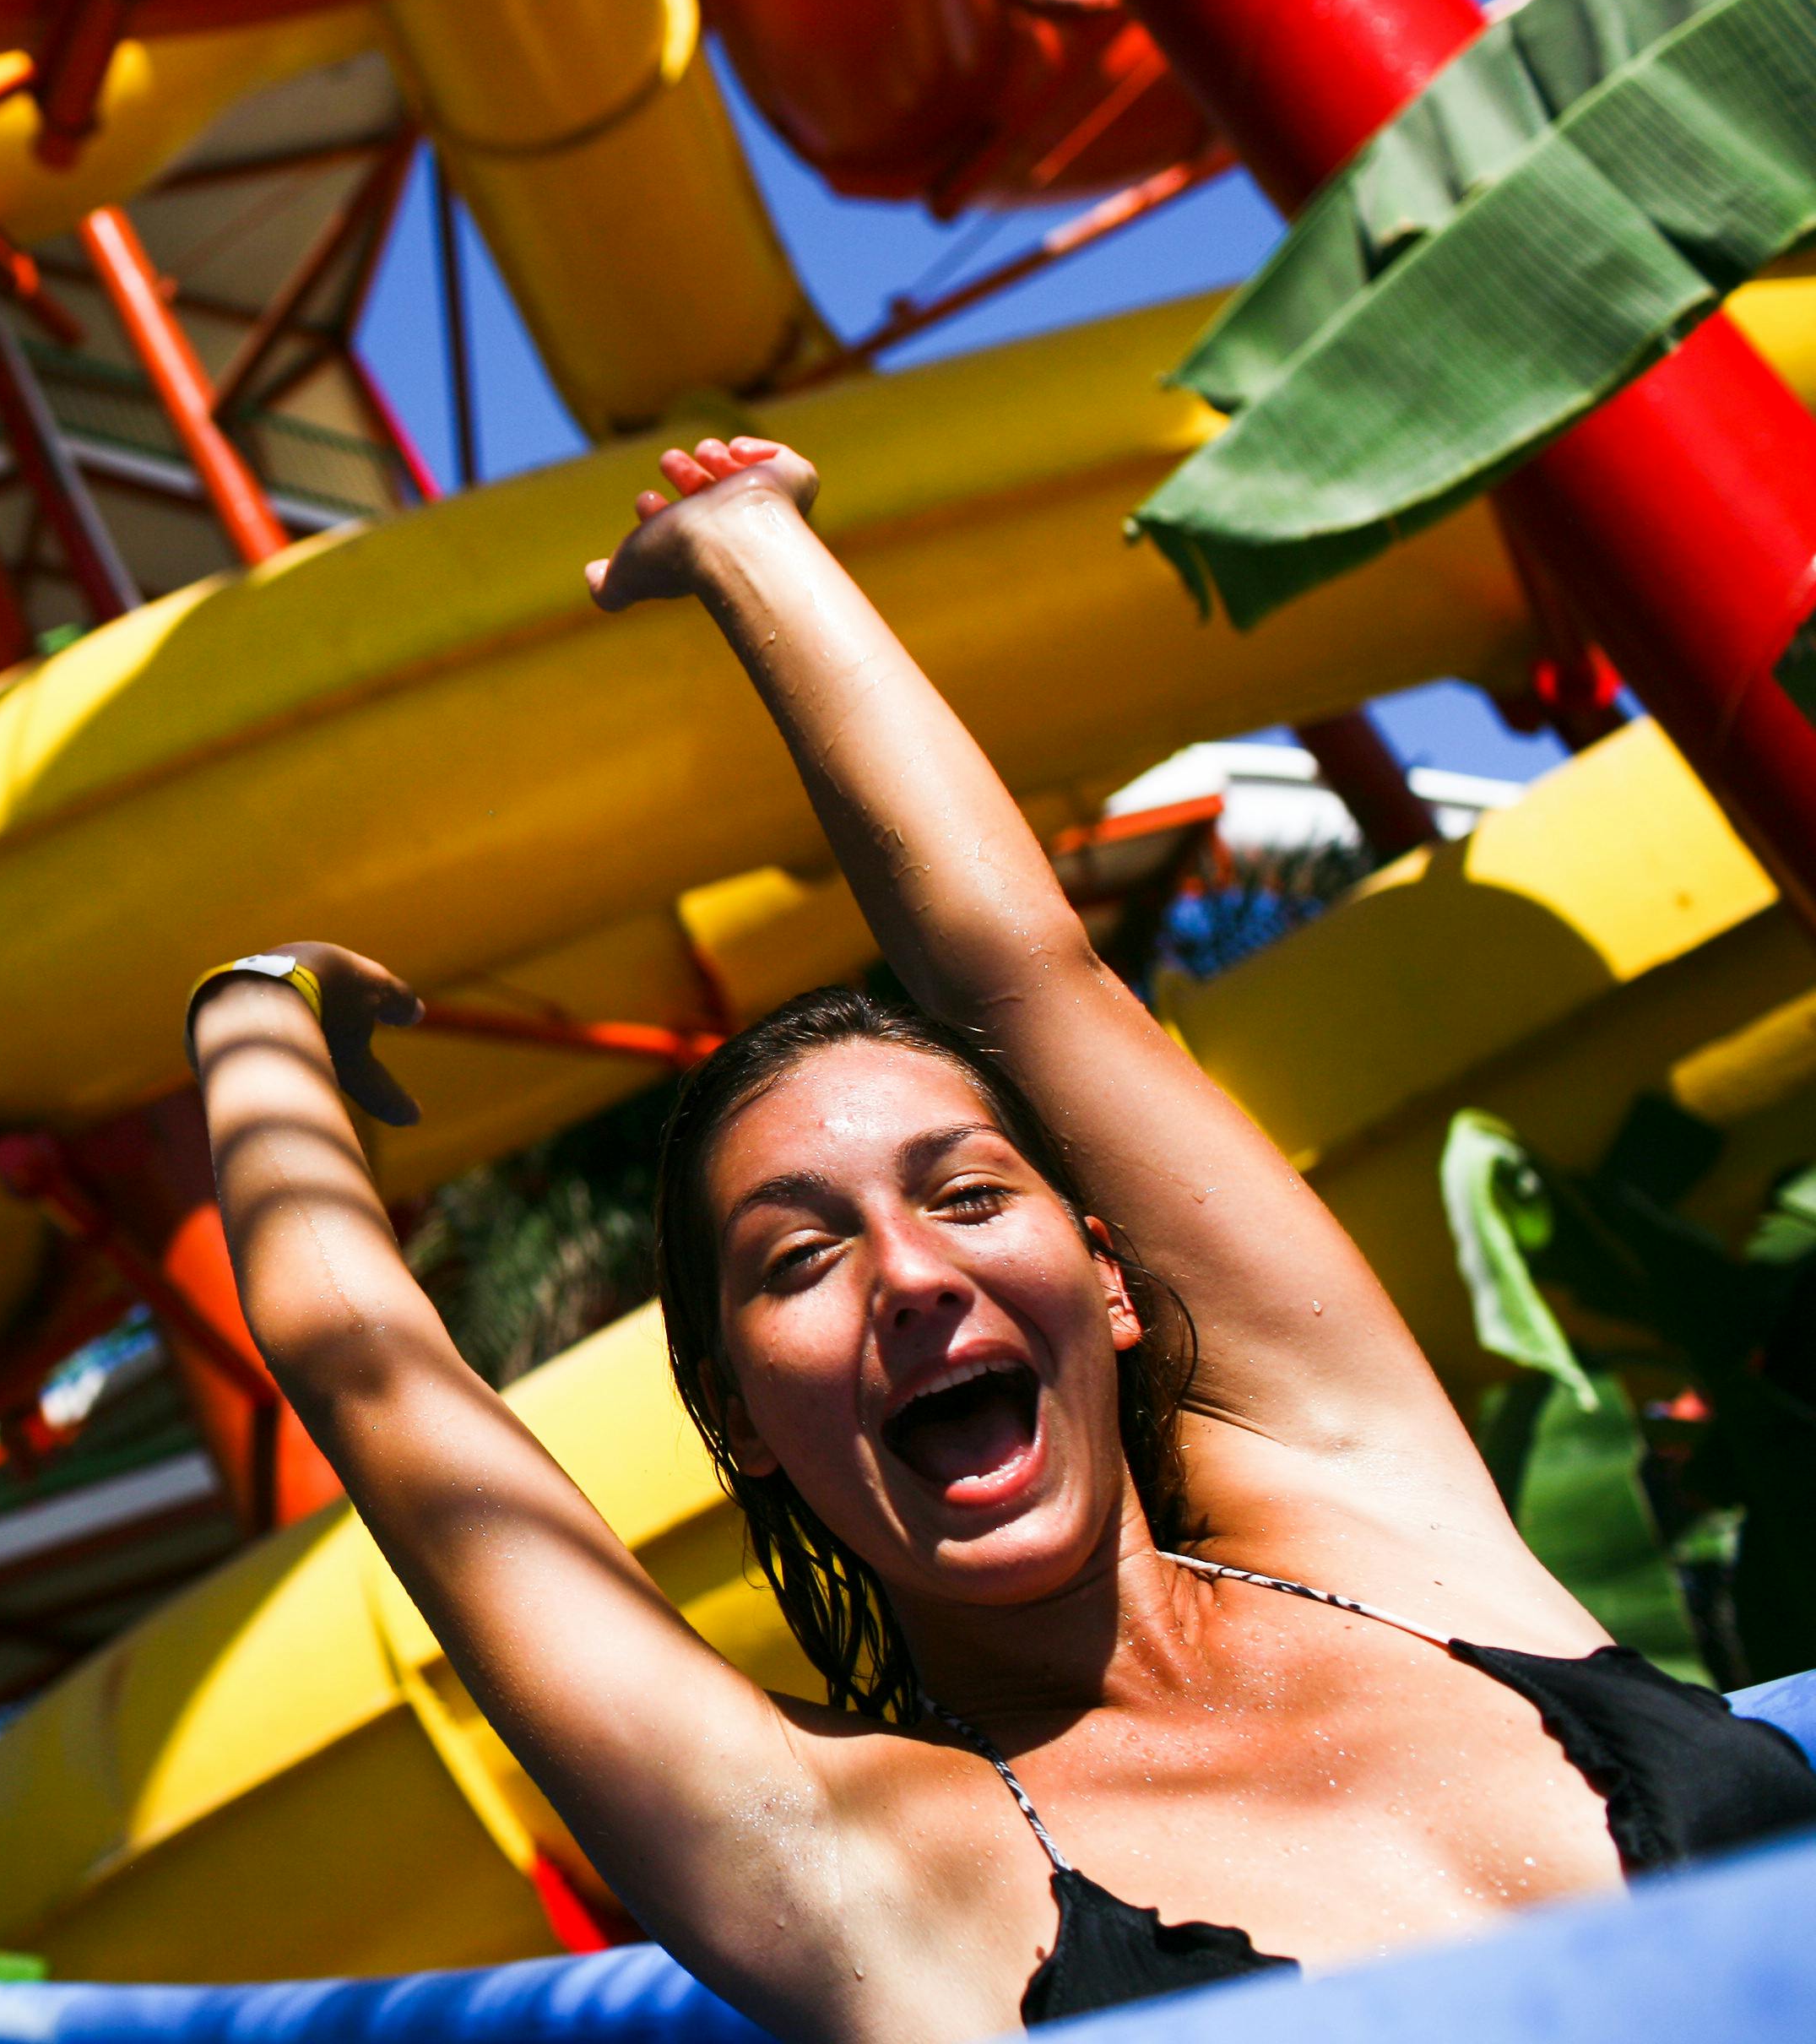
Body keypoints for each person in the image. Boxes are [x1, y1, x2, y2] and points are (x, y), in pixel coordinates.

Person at [186, 436, 1816, 2040]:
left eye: (967, 1195)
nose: (910, 1274)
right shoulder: (863, 1865)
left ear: (1109, 1276)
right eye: (798, 1261)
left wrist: (756, 548)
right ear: (740, 1421)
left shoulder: (1378, 1524)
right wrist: (261, 1014)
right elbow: (370, 1368)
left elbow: (1028, 976)